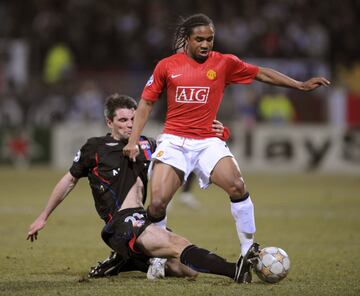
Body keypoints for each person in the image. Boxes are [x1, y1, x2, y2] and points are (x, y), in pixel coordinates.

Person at [123, 13, 330, 282]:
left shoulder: (224, 63)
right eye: (200, 39)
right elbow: (146, 103)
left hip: (207, 140)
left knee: (236, 184)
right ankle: (160, 254)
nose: (206, 44)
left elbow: (261, 73)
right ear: (186, 40)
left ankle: (248, 251)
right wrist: (132, 140)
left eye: (210, 39)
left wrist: (299, 85)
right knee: (158, 201)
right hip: (174, 139)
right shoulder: (166, 66)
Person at [27, 93, 259, 283]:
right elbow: (69, 180)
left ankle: (126, 260)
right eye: (123, 121)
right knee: (178, 245)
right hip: (121, 224)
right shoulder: (96, 147)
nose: (129, 124)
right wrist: (43, 216)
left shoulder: (148, 144)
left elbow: (186, 153)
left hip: (146, 219)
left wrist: (218, 132)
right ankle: (235, 271)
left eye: (133, 119)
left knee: (187, 271)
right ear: (110, 123)